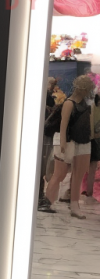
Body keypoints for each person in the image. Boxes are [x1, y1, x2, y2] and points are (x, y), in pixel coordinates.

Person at [45, 74, 95, 219]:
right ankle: (48, 202)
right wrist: (62, 142)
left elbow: (89, 123)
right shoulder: (69, 103)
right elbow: (63, 124)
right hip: (68, 140)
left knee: (78, 175)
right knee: (59, 174)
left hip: (83, 140)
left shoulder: (86, 104)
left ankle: (74, 205)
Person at [38, 77, 59, 212]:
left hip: (46, 133)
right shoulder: (46, 96)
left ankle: (39, 195)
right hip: (44, 134)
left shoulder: (48, 96)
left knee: (42, 165)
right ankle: (39, 196)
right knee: (42, 165)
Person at [81, 91, 99, 206]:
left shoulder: (89, 107)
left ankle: (87, 192)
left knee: (87, 167)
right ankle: (88, 193)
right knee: (91, 167)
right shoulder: (92, 108)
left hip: (89, 140)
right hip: (94, 140)